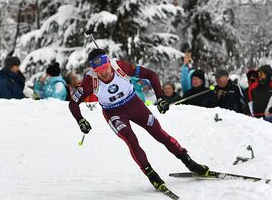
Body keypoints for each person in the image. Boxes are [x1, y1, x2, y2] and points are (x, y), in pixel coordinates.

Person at [69, 49, 209, 191]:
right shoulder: (89, 81)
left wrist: (160, 97)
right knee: (131, 140)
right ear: (93, 70)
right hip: (114, 113)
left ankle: (190, 163)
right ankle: (152, 175)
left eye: (105, 68)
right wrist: (80, 120)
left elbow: (150, 75)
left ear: (109, 63)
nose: (104, 73)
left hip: (134, 104)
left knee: (159, 134)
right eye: (99, 71)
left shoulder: (120, 66)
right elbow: (73, 103)